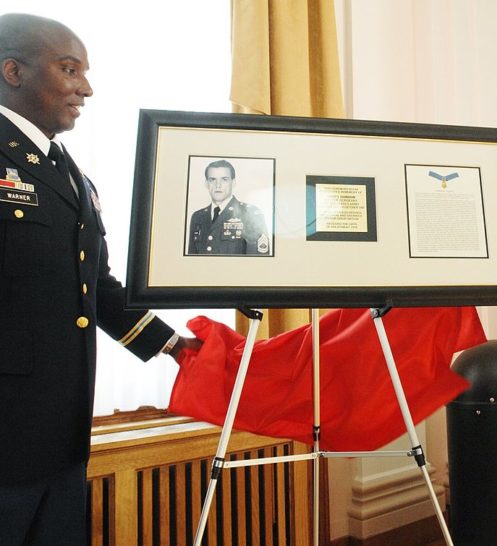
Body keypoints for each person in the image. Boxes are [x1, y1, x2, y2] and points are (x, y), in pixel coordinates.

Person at [0, 13, 200, 544]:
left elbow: (94, 286)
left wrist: (173, 344)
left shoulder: (69, 172)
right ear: (12, 71)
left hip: (61, 435)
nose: (86, 88)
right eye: (70, 70)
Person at [188, 159, 270, 255]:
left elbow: (258, 262)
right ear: (206, 184)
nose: (218, 185)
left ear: (233, 182)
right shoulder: (198, 217)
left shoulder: (250, 214)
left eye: (224, 179)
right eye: (212, 179)